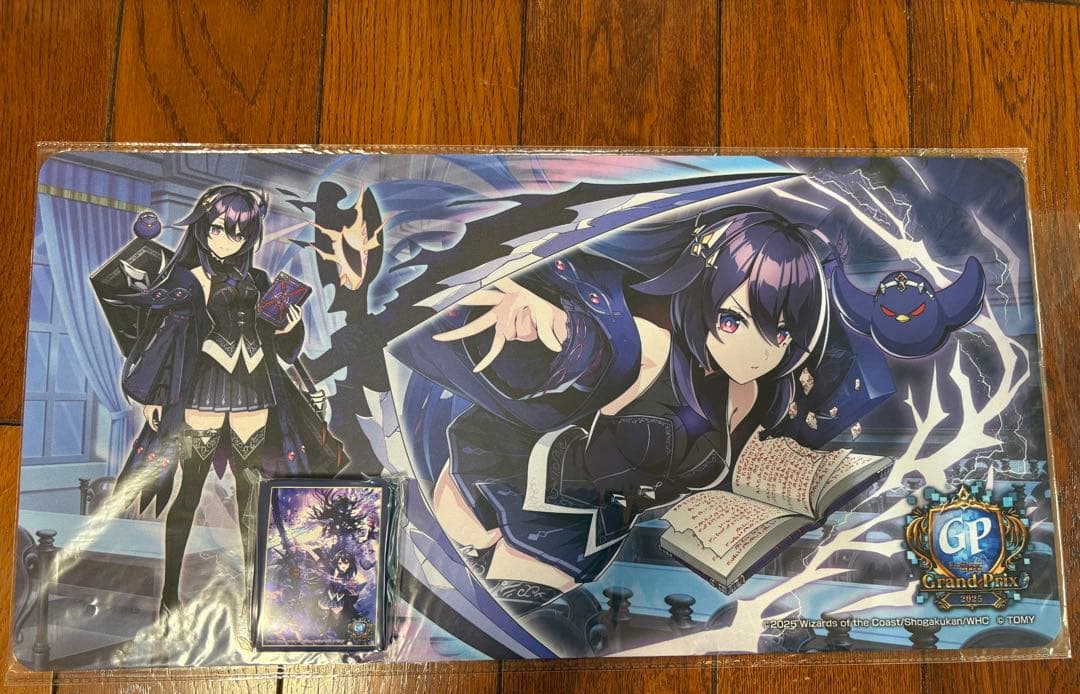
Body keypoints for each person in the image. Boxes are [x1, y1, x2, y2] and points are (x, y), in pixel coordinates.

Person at [393, 207, 832, 603]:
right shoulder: (651, 347)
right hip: (498, 498)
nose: (758, 351)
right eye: (732, 320)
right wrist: (552, 324)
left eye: (780, 333)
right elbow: (596, 349)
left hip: (584, 545)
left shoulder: (748, 394)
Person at [108, 185, 346, 620]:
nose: (225, 239)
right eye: (217, 228)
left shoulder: (261, 283)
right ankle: (169, 595)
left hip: (254, 392)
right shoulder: (186, 279)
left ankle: (254, 597)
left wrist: (289, 328)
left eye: (238, 233)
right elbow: (164, 339)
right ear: (202, 226)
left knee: (251, 496)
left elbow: (281, 352)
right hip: (202, 389)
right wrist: (154, 396)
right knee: (189, 492)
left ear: (250, 236)